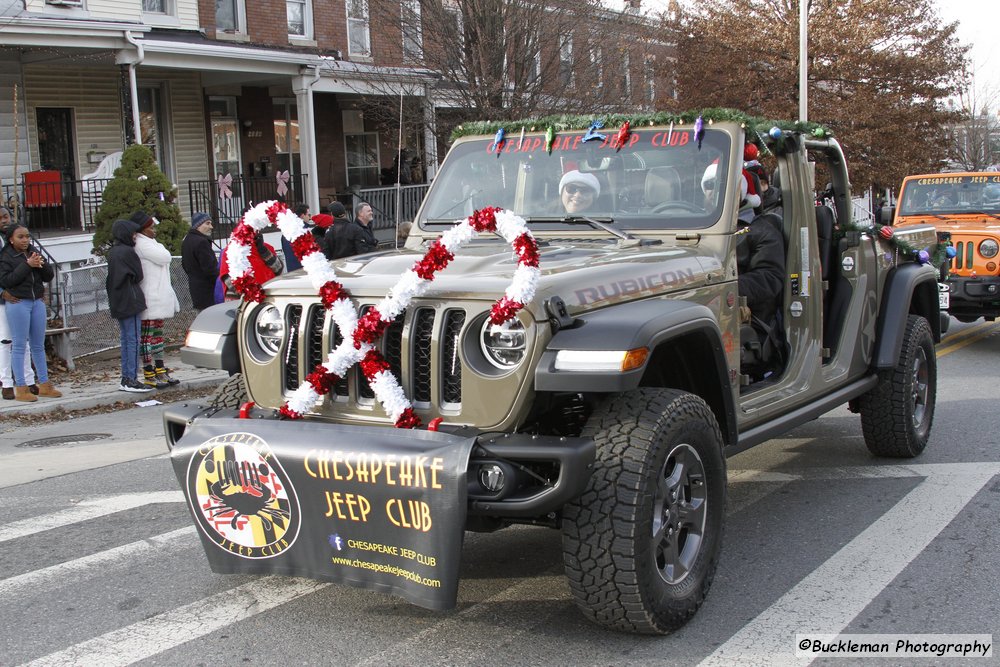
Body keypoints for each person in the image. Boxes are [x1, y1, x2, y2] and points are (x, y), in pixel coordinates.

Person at [0, 223, 61, 402]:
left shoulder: (33, 252)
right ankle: (21, 387)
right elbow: (8, 280)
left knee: (38, 345)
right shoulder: (5, 257)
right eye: (21, 237)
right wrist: (27, 265)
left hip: (37, 301)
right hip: (18, 303)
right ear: (11, 239)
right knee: (18, 345)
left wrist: (40, 264)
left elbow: (48, 276)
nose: (25, 240)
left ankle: (44, 384)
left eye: (27, 236)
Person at [134, 212, 181, 389]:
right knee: (147, 337)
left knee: (157, 337)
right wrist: (162, 249)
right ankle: (148, 371)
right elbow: (165, 257)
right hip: (150, 295)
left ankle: (160, 368)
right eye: (151, 227)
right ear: (143, 229)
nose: (154, 230)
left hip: (158, 295)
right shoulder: (141, 244)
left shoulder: (150, 243)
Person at [106, 218, 154, 393]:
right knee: (133, 339)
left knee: (126, 339)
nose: (135, 236)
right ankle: (130, 379)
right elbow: (138, 275)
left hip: (119, 300)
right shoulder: (127, 252)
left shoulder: (113, 252)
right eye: (133, 233)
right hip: (130, 300)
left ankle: (127, 377)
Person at [0, 207, 37, 399]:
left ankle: (28, 380)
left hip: (21, 296)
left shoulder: (17, 241)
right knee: (6, 340)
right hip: (4, 299)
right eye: (0, 218)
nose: (3, 220)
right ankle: (6, 382)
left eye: (6, 216)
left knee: (24, 341)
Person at [219, 228, 284, 300]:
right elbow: (229, 281)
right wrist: (253, 295)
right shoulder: (230, 251)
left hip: (269, 297)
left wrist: (262, 250)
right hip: (242, 301)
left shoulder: (266, 247)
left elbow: (278, 269)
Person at [181, 212, 219, 311]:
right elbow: (210, 269)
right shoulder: (201, 242)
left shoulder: (187, 240)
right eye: (207, 223)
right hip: (208, 292)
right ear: (198, 225)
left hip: (196, 289)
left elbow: (185, 265)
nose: (211, 226)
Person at [282, 204, 311, 272]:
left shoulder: (286, 231)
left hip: (292, 269)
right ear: (302, 215)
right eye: (308, 215)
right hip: (303, 270)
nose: (310, 217)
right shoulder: (302, 231)